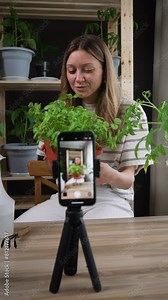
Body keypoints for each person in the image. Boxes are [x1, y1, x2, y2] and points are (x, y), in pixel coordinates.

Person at [15, 34, 149, 223]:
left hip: (110, 198)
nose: (78, 78)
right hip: (68, 194)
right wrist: (54, 160)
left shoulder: (130, 111)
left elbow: (128, 179)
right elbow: (47, 164)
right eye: (71, 70)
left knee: (97, 241)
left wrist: (110, 175)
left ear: (105, 72)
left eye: (87, 70)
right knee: (16, 233)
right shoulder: (59, 111)